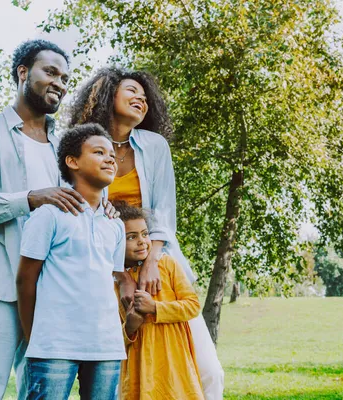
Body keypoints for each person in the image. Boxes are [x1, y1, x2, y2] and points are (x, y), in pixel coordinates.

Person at [0, 40, 116, 399]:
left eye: (65, 77)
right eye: (50, 72)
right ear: (23, 73)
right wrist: (27, 199)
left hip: (52, 297)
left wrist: (104, 209)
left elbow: (80, 201)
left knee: (37, 391)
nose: (60, 83)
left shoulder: (64, 147)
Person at [69, 67, 225, 399]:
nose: (141, 98)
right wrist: (120, 274)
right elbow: (83, 215)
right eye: (131, 90)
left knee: (209, 371)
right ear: (108, 94)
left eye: (144, 94)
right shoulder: (83, 148)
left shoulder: (154, 146)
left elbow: (165, 212)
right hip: (100, 271)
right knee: (119, 375)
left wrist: (152, 261)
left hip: (160, 262)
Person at [17, 123, 126, 400]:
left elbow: (111, 281)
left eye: (112, 154)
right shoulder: (49, 215)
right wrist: (35, 339)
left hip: (106, 347)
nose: (110, 158)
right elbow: (25, 279)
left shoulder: (115, 224)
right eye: (99, 152)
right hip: (54, 347)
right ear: (72, 161)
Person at [115, 201, 204, 400]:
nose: (142, 241)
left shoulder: (167, 265)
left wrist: (155, 307)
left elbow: (193, 305)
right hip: (140, 367)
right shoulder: (115, 284)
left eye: (145, 234)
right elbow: (112, 338)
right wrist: (129, 328)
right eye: (131, 237)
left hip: (174, 360)